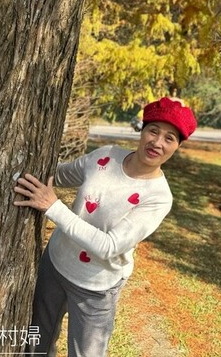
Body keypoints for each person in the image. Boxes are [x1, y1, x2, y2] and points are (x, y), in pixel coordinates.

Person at [13, 96, 197, 357]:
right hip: (55, 264)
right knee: (36, 345)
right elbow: (60, 174)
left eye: (169, 138)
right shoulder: (105, 156)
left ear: (177, 146)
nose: (157, 142)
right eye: (153, 131)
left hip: (96, 287)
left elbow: (108, 246)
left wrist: (53, 207)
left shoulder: (158, 197)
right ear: (142, 130)